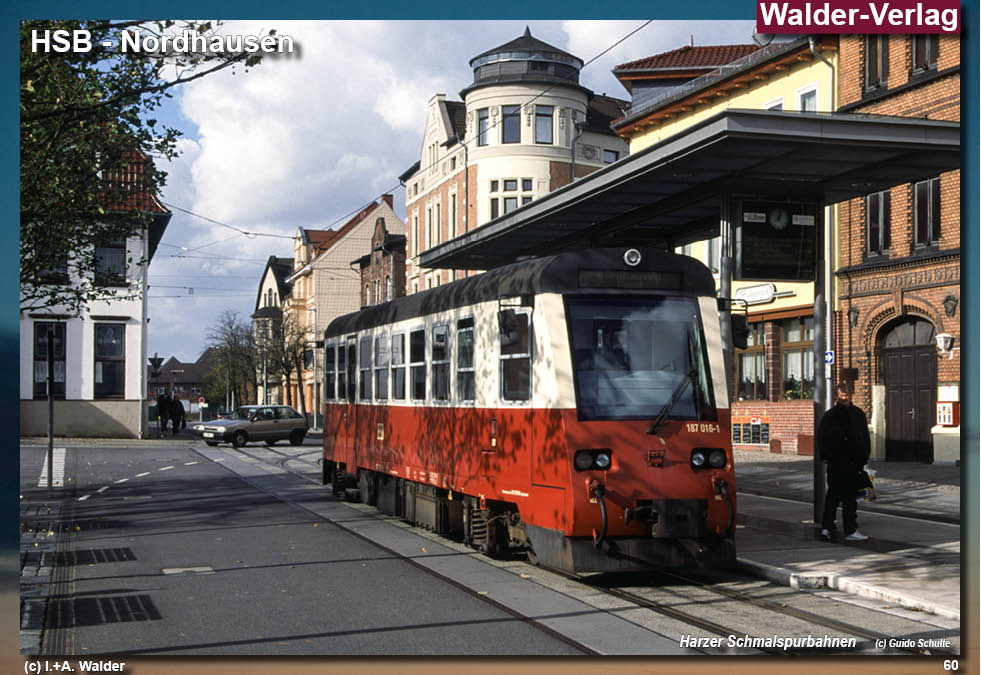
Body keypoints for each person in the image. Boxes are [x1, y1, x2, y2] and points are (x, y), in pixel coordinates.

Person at [817, 385, 871, 542]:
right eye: (842, 395)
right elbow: (822, 438)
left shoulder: (858, 414)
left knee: (848, 498)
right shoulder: (830, 416)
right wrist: (826, 456)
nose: (845, 398)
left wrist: (864, 457)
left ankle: (847, 528)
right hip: (837, 462)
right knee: (834, 496)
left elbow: (864, 437)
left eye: (847, 395)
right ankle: (830, 527)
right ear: (836, 397)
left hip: (852, 462)